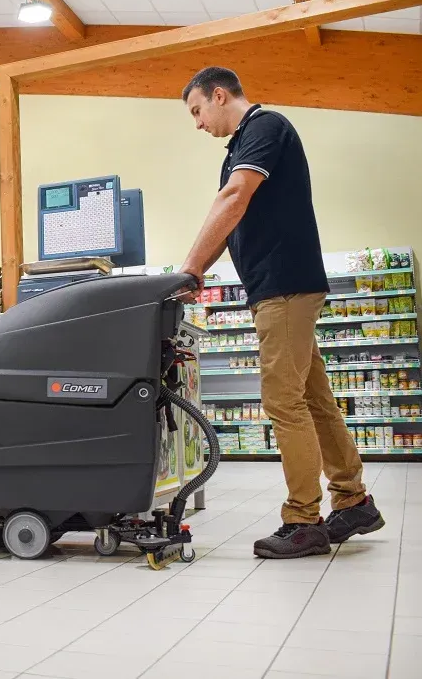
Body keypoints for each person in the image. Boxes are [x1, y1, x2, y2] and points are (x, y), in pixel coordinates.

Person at [177, 66, 384, 559]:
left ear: (219, 95)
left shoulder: (265, 127)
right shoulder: (242, 147)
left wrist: (190, 267)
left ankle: (303, 519)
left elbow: (233, 199)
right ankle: (352, 500)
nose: (198, 124)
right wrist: (195, 270)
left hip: (284, 288)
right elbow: (230, 215)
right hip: (281, 287)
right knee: (314, 399)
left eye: (197, 110)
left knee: (282, 401)